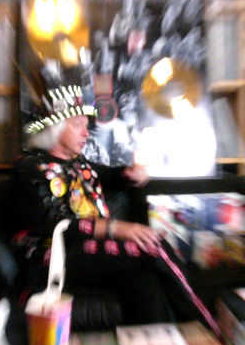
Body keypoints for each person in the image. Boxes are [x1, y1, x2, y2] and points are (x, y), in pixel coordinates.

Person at [12, 84, 218, 329]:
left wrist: (130, 173)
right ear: (55, 128)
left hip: (87, 250)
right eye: (78, 124)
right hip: (53, 256)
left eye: (86, 125)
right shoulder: (30, 167)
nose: (86, 133)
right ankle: (207, 326)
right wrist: (116, 228)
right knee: (152, 246)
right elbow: (52, 223)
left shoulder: (78, 162)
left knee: (146, 279)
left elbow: (110, 175)